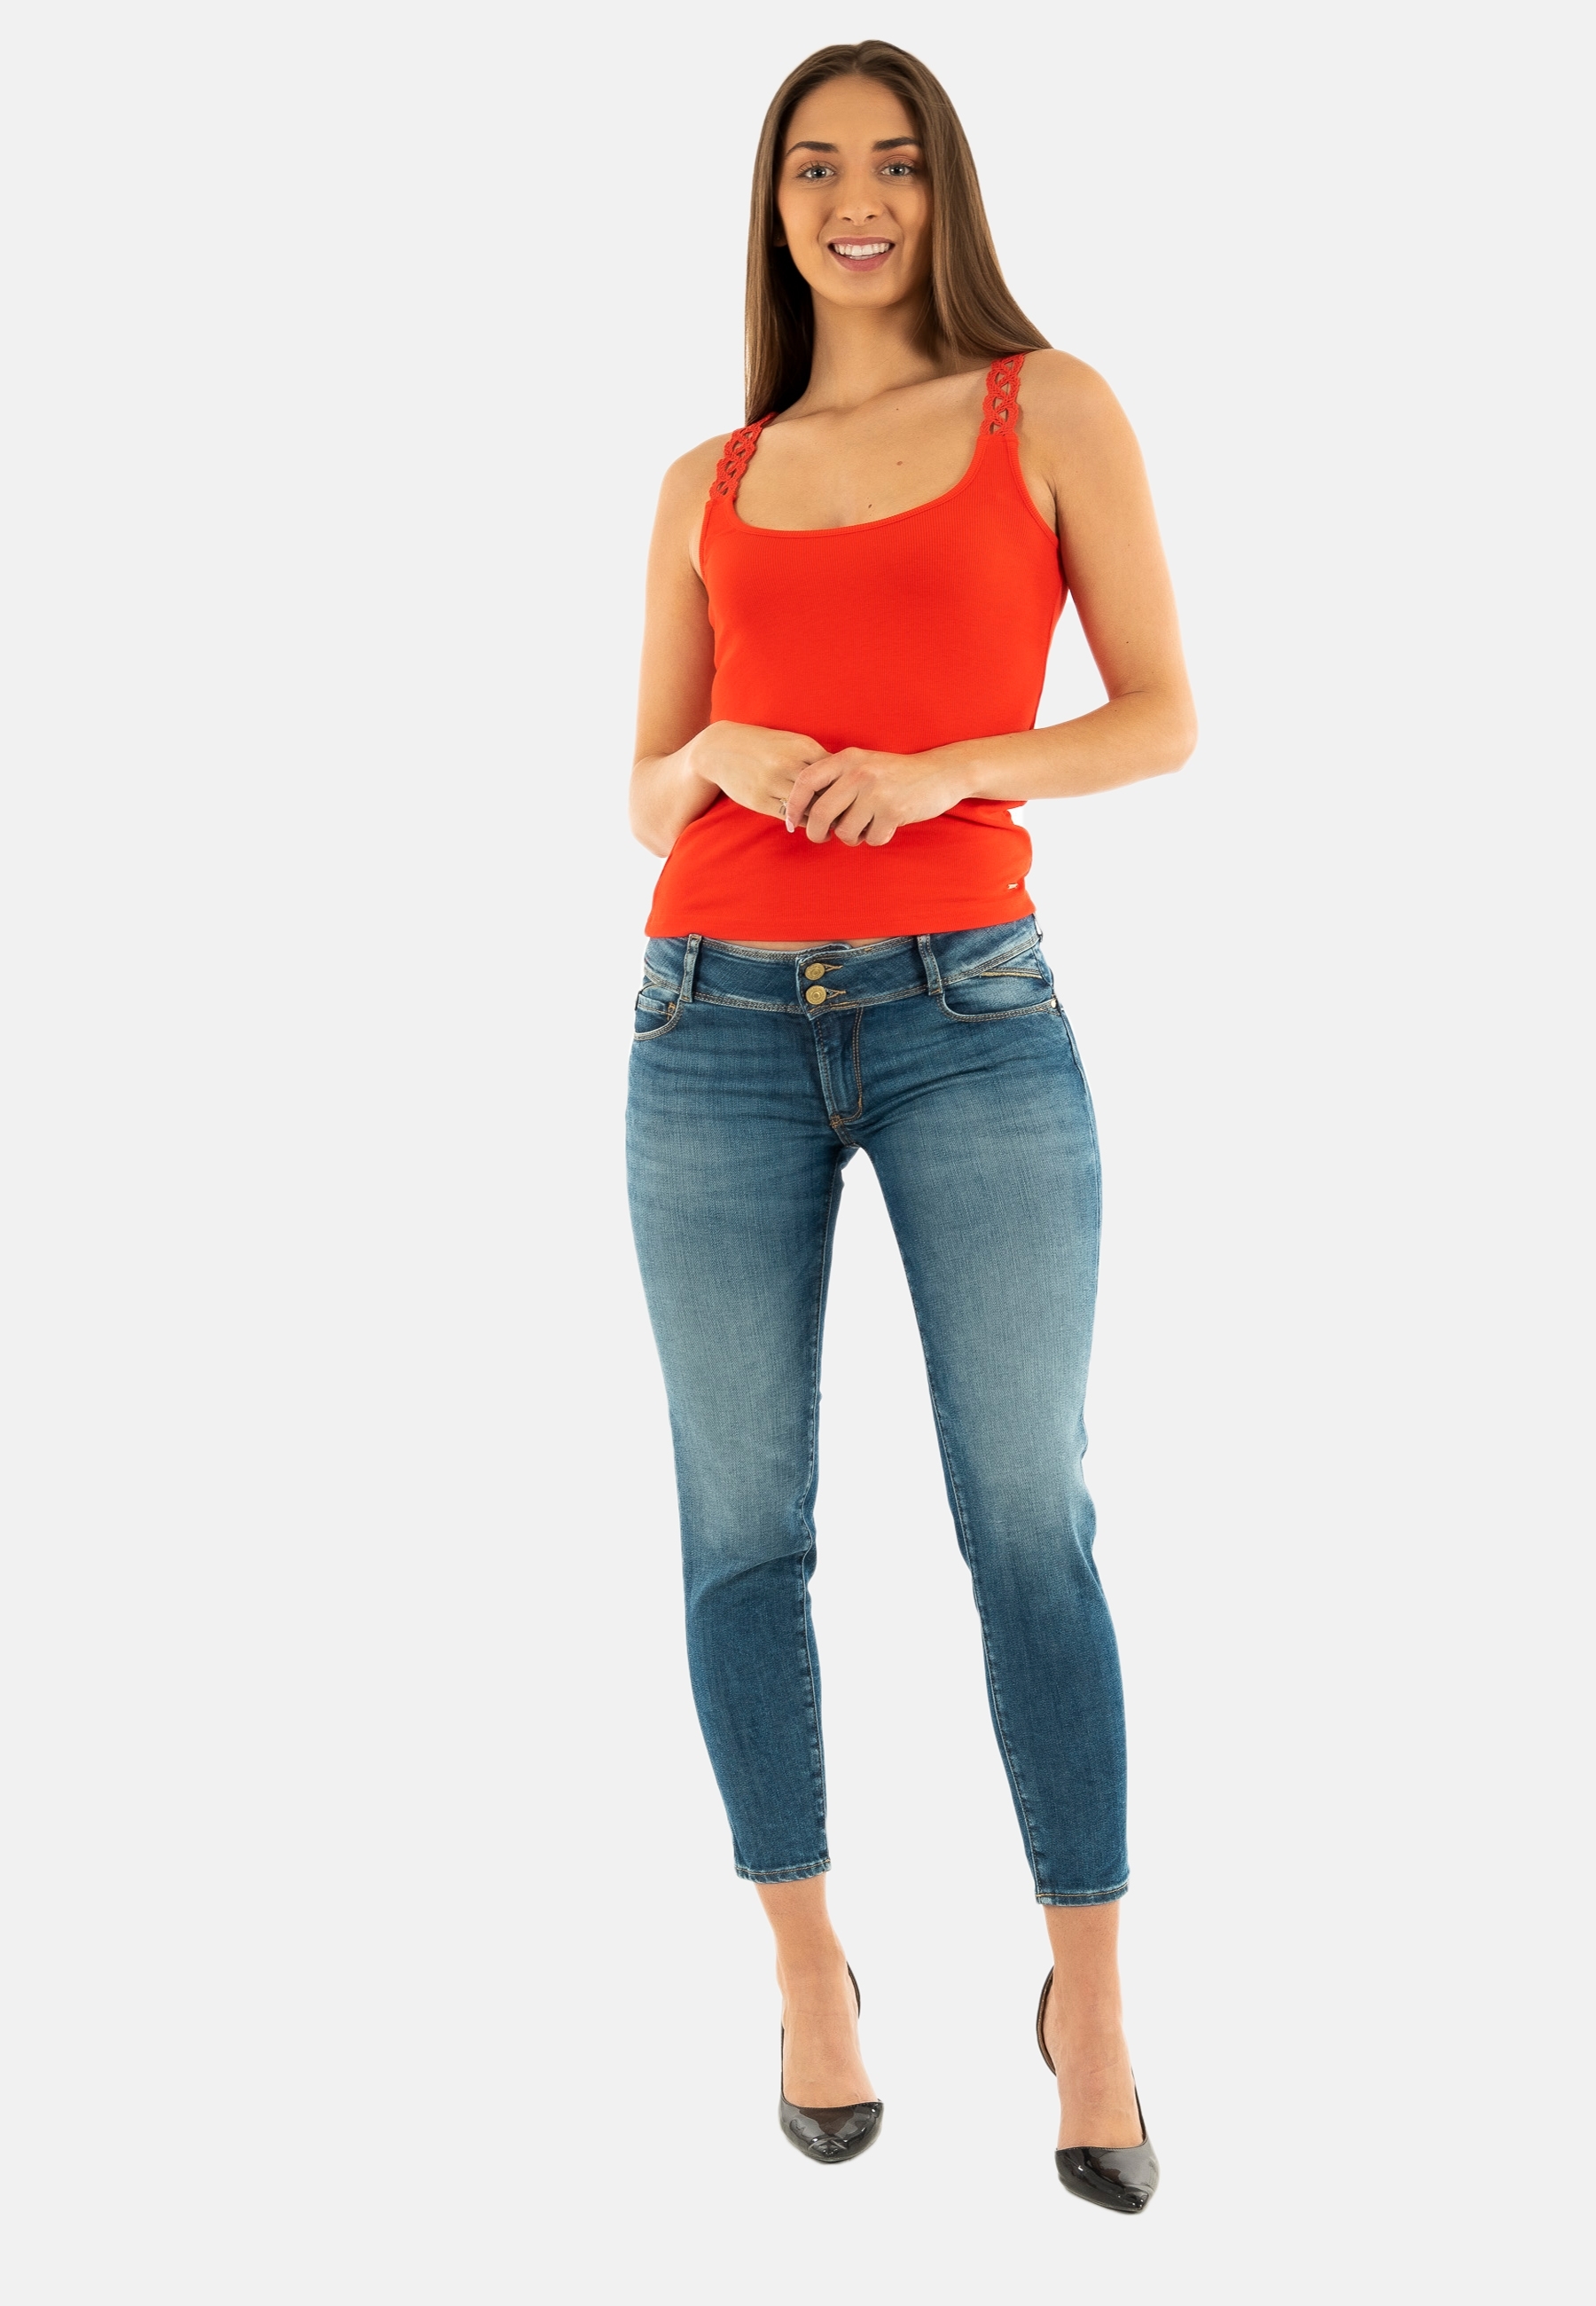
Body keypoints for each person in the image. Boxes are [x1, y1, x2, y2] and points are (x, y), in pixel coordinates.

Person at [625, 40, 1195, 2207]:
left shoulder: (1050, 409)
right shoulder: (708, 475)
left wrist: (958, 766)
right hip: (709, 1017)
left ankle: (1093, 2006)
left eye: (891, 163)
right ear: (772, 208)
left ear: (943, 189)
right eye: (812, 168)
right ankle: (809, 1971)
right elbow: (642, 792)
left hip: (971, 1011)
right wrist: (721, 757)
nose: (853, 199)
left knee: (1029, 1516)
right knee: (739, 1526)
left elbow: (1161, 714)